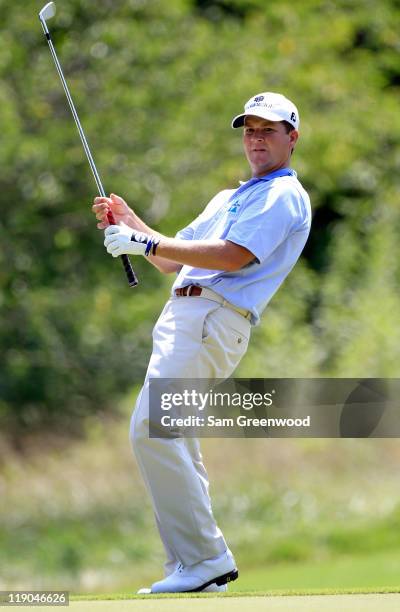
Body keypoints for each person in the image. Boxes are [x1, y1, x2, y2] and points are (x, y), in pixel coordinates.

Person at [92, 92, 311, 594]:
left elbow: (232, 256)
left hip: (213, 317)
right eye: (250, 130)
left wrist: (144, 242)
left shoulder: (283, 196)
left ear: (291, 139)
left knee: (152, 429)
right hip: (186, 317)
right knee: (176, 443)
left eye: (268, 130)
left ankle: (206, 559)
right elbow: (172, 258)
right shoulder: (228, 198)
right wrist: (132, 224)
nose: (256, 139)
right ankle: (193, 569)